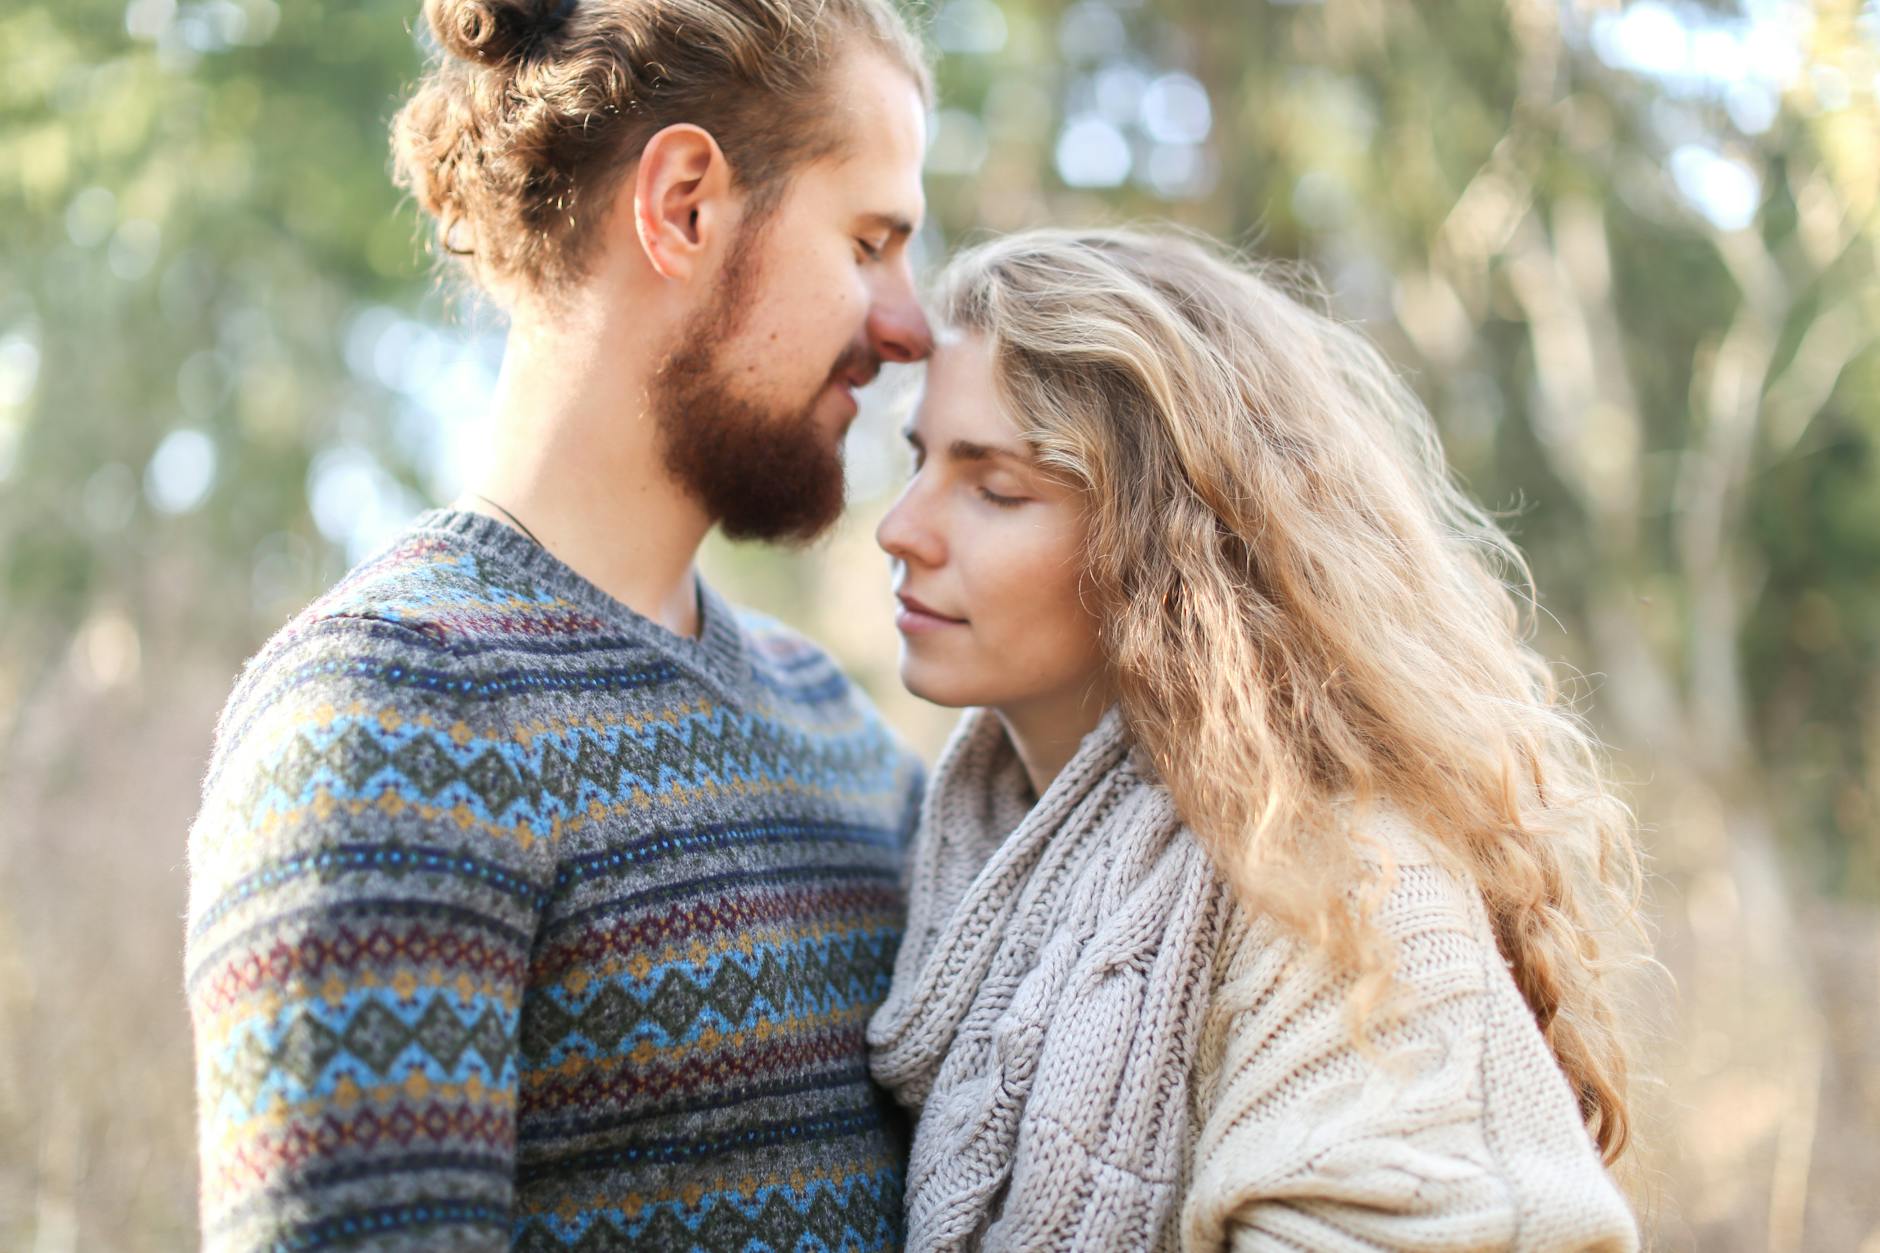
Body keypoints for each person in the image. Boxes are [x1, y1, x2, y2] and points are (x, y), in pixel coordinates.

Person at [183, 0, 935, 1248]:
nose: (909, 325)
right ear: (683, 204)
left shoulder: (845, 734)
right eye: (868, 243)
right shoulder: (386, 717)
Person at [867, 228, 1646, 1251]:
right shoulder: (957, 843)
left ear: (1166, 547)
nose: (898, 527)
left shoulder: (1340, 879)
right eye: (918, 459)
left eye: (995, 489)